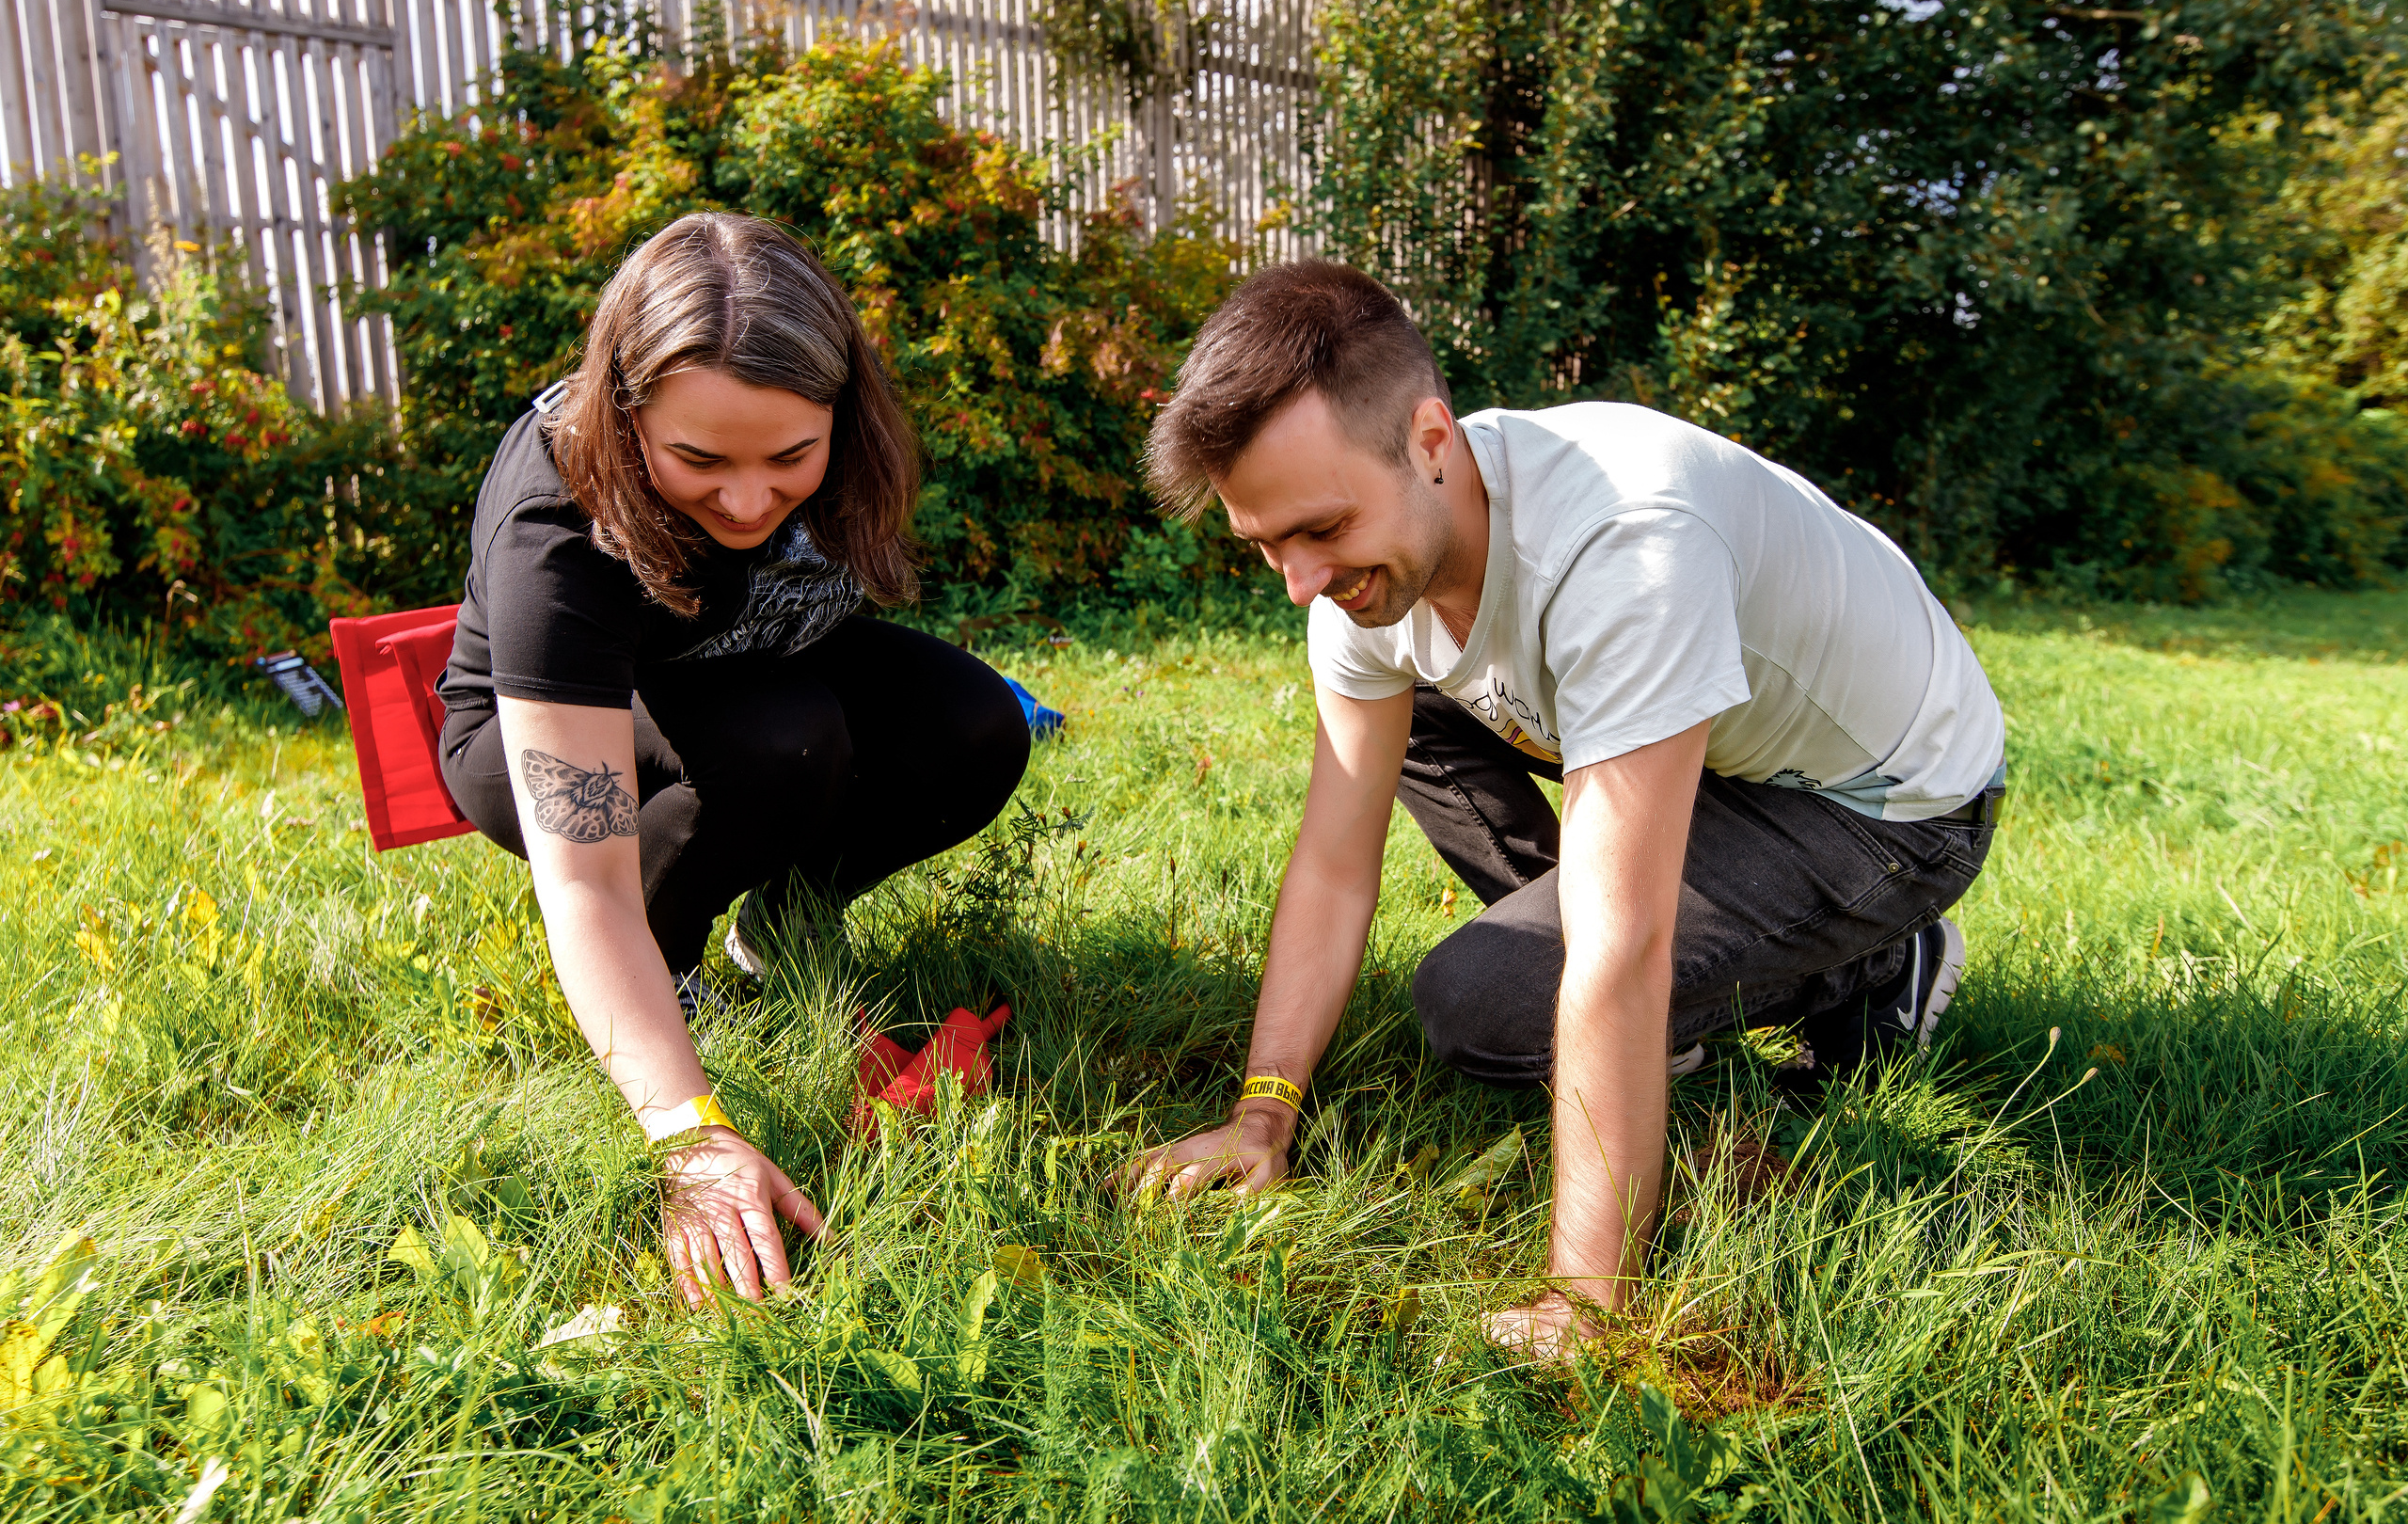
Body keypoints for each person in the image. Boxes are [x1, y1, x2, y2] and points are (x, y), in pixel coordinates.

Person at [1122, 261, 2004, 1357]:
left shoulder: (1626, 545)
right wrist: (1262, 1113)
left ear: (1430, 441)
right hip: (1721, 749)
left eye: (1321, 529)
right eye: (1264, 544)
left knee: (1490, 1001)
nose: (1299, 583)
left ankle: (1877, 966)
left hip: (1890, 810)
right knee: (1420, 707)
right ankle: (1665, 1016)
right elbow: (1333, 864)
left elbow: (1619, 944)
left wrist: (1586, 1302)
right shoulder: (1371, 569)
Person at [436, 213, 1031, 1309]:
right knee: (780, 742)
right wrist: (691, 1133)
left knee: (975, 727)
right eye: (699, 461)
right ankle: (665, 981)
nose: (750, 501)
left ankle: (782, 923)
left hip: (748, 677)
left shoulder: (856, 448)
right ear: (627, 416)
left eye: (789, 458)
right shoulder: (556, 520)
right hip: (536, 734)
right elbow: (584, 880)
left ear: (841, 413)